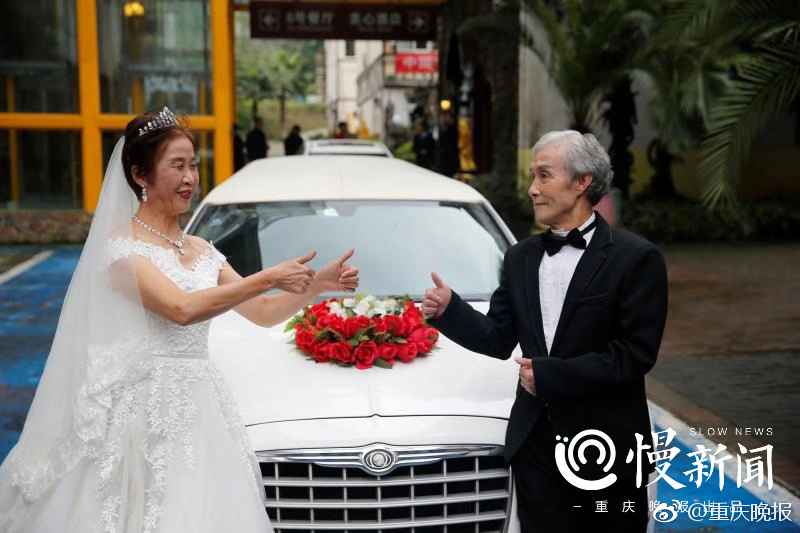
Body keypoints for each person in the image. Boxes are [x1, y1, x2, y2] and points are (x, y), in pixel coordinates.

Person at [0, 107, 359, 532]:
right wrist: (266, 277)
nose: (191, 177)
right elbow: (181, 309)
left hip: (199, 405)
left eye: (194, 165)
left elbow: (261, 314)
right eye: (177, 165)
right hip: (140, 412)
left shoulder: (204, 249)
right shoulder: (119, 249)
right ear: (140, 175)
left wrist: (314, 287)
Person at [421, 130, 667, 533]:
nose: (533, 189)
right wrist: (451, 311)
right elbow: (498, 338)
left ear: (582, 181)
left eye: (544, 175)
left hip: (606, 446)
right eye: (532, 177)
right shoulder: (519, 257)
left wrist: (552, 375)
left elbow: (635, 354)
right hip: (536, 443)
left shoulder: (637, 258)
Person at [436, 111, 459, 178]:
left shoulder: (454, 128)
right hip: (443, 155)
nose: (445, 118)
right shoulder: (443, 128)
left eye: (447, 117)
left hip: (451, 156)